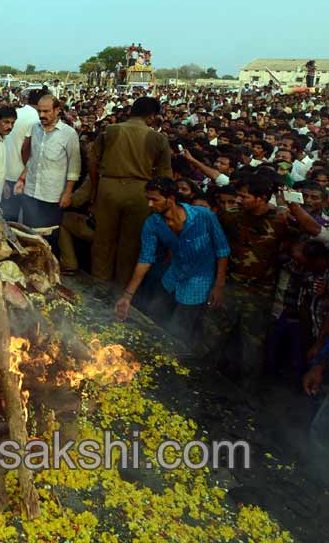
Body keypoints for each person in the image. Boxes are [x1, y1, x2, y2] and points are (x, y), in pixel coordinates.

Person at [207, 175, 322, 388]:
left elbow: (310, 233)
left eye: (244, 196)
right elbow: (218, 248)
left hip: (260, 294)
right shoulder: (230, 217)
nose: (239, 200)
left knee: (253, 349)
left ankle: (245, 395)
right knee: (211, 339)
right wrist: (219, 284)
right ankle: (199, 379)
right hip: (230, 287)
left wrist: (287, 207)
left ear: (261, 198)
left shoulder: (281, 221)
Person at [115, 177, 230, 343]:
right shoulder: (152, 224)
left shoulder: (204, 216)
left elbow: (222, 250)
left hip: (199, 284)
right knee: (154, 319)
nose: (150, 204)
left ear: (171, 199)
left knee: (180, 331)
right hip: (171, 280)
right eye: (148, 199)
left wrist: (218, 286)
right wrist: (127, 296)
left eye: (154, 199)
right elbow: (145, 259)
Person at [89, 96, 172, 286]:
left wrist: (95, 190)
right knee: (131, 244)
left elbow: (93, 162)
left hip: (108, 188)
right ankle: (122, 288)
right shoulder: (159, 139)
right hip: (141, 193)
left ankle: (99, 285)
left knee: (103, 241)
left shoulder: (108, 130)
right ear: (151, 117)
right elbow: (165, 175)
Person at [16, 95, 80, 237]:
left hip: (52, 196)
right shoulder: (34, 128)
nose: (41, 115)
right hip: (31, 193)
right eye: (39, 111)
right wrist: (22, 179)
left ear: (57, 110)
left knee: (49, 238)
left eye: (46, 111)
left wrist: (68, 193)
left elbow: (74, 168)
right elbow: (33, 158)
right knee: (29, 236)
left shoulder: (69, 134)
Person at [3, 88, 42, 220]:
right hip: (22, 177)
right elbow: (26, 148)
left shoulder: (16, 113)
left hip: (6, 171)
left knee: (8, 218)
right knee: (27, 221)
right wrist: (28, 170)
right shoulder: (36, 119)